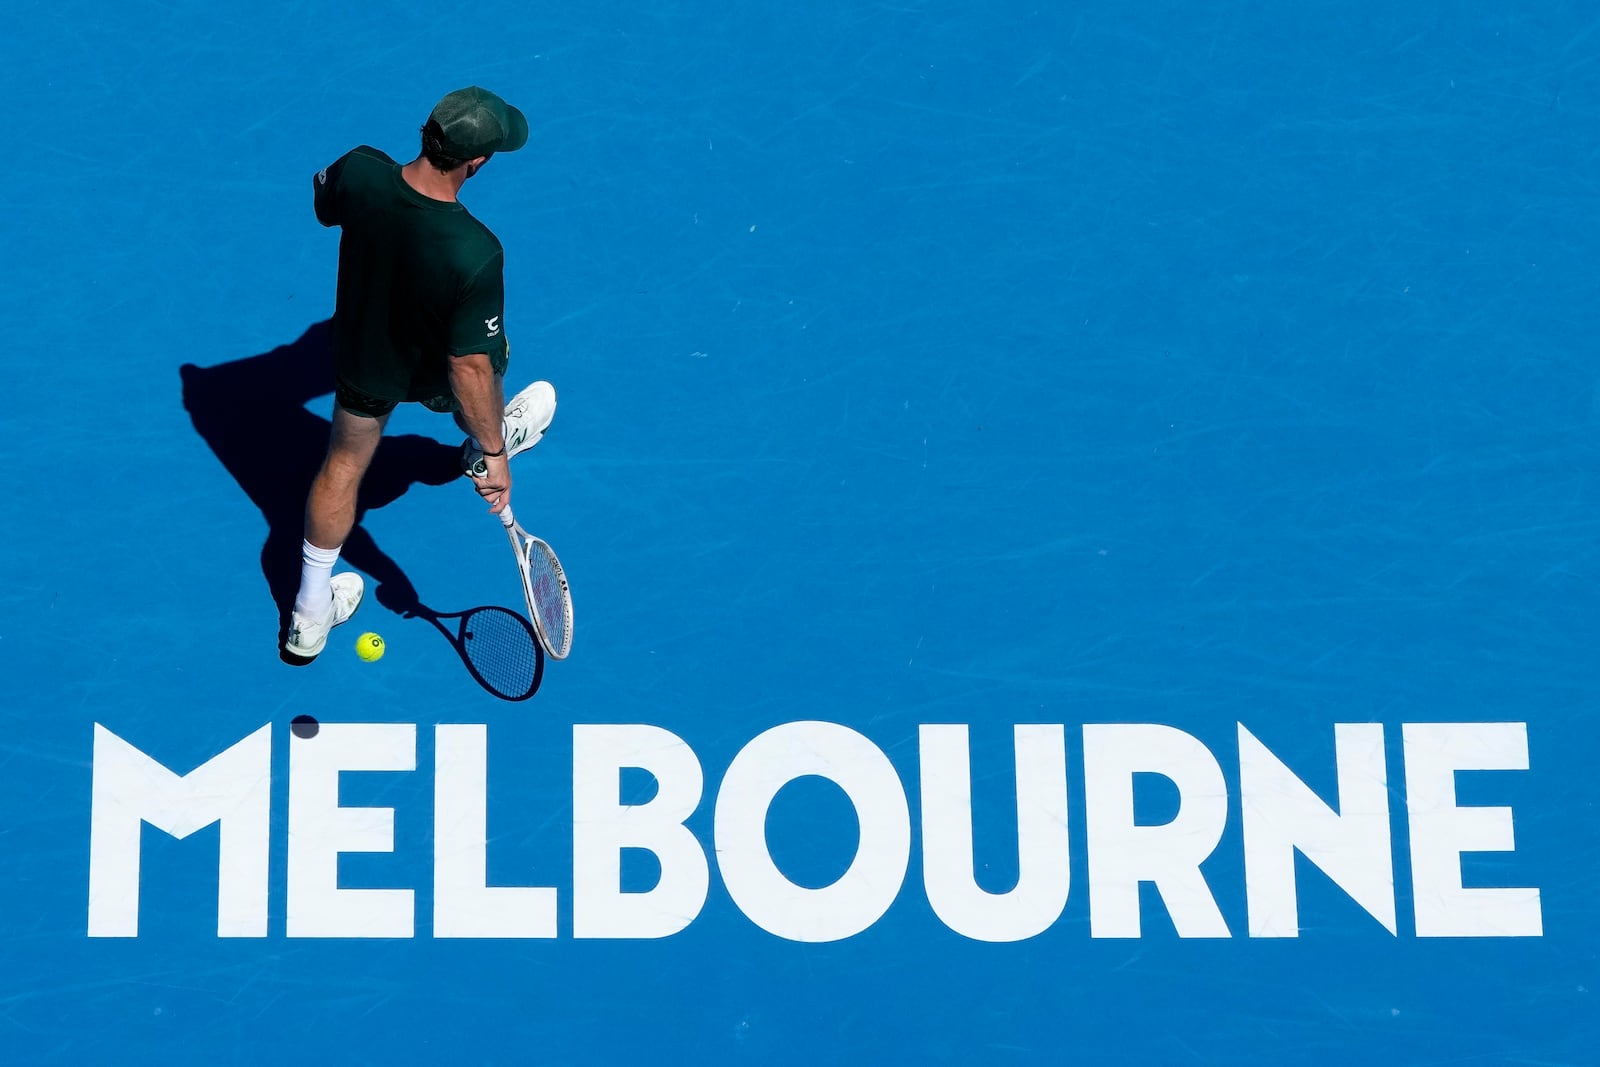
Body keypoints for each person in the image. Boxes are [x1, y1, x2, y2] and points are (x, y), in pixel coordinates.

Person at [285, 86, 557, 660]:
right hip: (435, 372)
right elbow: (469, 368)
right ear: (475, 162)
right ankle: (489, 441)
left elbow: (322, 200)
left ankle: (308, 618)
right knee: (485, 360)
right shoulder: (475, 252)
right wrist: (495, 454)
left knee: (343, 465)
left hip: (363, 360)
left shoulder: (360, 171)